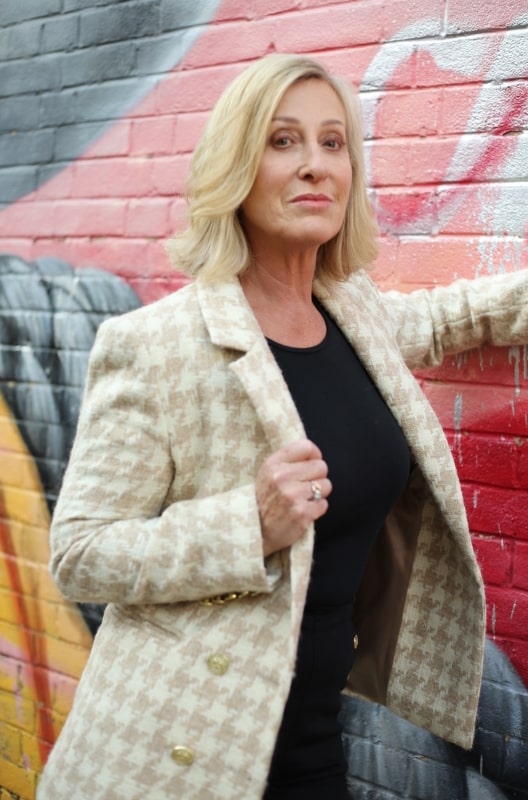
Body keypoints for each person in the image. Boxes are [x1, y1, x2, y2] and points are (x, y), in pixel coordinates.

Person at [37, 53, 528, 800]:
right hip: (183, 751)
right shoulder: (155, 345)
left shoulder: (353, 312)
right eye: (282, 140)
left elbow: (441, 319)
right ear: (237, 167)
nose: (314, 165)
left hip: (315, 738)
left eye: (333, 143)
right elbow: (80, 553)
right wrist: (247, 524)